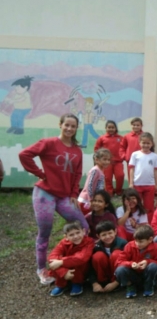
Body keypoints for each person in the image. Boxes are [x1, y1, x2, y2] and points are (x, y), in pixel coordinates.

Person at [19, 113, 89, 285]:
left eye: (73, 126)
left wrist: (74, 194)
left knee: (84, 227)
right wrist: (40, 174)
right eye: (67, 125)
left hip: (64, 196)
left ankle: (73, 261)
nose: (69, 129)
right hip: (45, 194)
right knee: (45, 232)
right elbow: (24, 155)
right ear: (60, 125)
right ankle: (42, 269)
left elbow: (77, 173)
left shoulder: (77, 151)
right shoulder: (49, 143)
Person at [115, 224, 157, 298]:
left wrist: (148, 261)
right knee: (120, 270)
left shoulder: (156, 247)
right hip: (133, 274)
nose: (138, 244)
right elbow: (119, 261)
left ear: (150, 240)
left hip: (147, 274)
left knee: (153, 266)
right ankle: (130, 286)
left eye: (141, 241)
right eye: (136, 241)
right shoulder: (129, 246)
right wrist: (131, 264)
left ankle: (149, 286)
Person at [47, 221, 94, 297]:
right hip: (66, 268)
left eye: (78, 233)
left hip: (81, 269)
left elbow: (82, 258)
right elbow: (52, 256)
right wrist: (63, 272)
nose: (75, 236)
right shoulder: (63, 243)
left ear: (83, 231)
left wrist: (61, 261)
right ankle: (60, 285)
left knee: (75, 262)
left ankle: (77, 283)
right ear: (66, 237)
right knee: (54, 262)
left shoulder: (89, 242)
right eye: (71, 235)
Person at [89, 220, 127, 293]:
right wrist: (94, 283)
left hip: (118, 276)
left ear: (115, 231)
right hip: (103, 274)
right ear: (98, 236)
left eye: (110, 233)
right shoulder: (96, 247)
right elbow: (90, 267)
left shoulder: (123, 243)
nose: (108, 236)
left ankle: (118, 282)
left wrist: (116, 282)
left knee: (117, 254)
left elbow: (128, 263)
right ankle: (102, 282)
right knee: (98, 256)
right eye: (103, 235)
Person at [128, 132, 157, 220]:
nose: (145, 145)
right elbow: (131, 169)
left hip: (150, 185)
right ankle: (136, 221)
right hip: (137, 184)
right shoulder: (135, 154)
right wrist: (131, 183)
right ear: (140, 143)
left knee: (149, 206)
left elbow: (156, 171)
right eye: (143, 143)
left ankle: (149, 223)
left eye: (148, 143)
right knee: (136, 204)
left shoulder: (154, 156)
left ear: (152, 144)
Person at [94, 120, 124, 196]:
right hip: (106, 163)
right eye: (109, 127)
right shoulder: (102, 138)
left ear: (115, 128)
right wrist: (98, 160)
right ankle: (109, 193)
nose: (111, 129)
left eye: (112, 127)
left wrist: (123, 156)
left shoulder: (121, 138)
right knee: (107, 178)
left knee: (120, 175)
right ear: (106, 128)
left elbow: (124, 148)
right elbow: (96, 149)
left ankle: (118, 191)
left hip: (118, 162)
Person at [78, 148, 111, 214]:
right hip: (86, 201)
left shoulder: (101, 170)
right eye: (104, 159)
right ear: (96, 159)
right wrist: (91, 200)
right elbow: (89, 185)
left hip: (92, 201)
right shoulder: (95, 170)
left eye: (108, 160)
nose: (107, 162)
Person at [119, 117, 144, 185]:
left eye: (138, 125)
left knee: (142, 175)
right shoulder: (127, 136)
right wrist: (125, 156)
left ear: (141, 126)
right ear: (131, 125)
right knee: (131, 176)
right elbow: (122, 147)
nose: (136, 126)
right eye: (134, 125)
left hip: (143, 159)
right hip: (130, 160)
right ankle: (132, 191)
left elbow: (150, 146)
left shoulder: (144, 135)